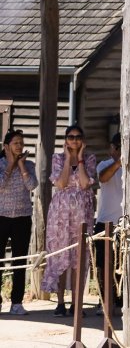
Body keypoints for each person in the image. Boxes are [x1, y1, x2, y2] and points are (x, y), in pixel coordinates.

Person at [43, 124, 97, 316]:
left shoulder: (89, 159)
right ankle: (60, 302)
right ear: (65, 139)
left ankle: (76, 303)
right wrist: (68, 160)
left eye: (78, 137)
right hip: (60, 215)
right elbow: (62, 182)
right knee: (60, 256)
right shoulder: (57, 158)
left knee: (78, 259)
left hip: (82, 214)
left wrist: (80, 159)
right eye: (71, 137)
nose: (74, 140)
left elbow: (84, 183)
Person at [0, 128, 37, 315]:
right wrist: (10, 165)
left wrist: (21, 166)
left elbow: (32, 185)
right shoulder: (0, 164)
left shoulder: (29, 164)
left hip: (22, 218)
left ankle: (16, 303)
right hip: (1, 217)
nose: (19, 146)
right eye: (15, 143)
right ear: (6, 146)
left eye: (21, 143)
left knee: (20, 261)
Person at [93, 133, 122, 316]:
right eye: (115, 146)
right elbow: (103, 178)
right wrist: (119, 161)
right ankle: (104, 301)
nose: (117, 150)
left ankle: (120, 301)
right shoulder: (104, 165)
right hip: (105, 222)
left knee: (122, 264)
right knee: (104, 266)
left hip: (125, 222)